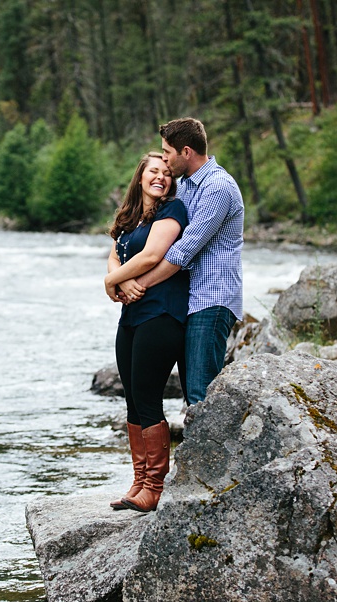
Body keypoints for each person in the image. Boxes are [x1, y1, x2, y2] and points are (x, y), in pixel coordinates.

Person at [121, 118, 244, 405]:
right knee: (191, 394)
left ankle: (210, 450)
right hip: (186, 300)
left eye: (167, 152)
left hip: (211, 301)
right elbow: (156, 233)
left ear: (186, 152)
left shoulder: (218, 187)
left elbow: (180, 252)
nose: (164, 158)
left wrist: (137, 286)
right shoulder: (185, 186)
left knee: (201, 394)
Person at [104, 152, 189, 513]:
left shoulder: (173, 211)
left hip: (162, 312)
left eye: (167, 173)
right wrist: (115, 279)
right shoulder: (128, 217)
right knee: (132, 399)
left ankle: (155, 486)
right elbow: (115, 254)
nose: (161, 177)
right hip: (132, 315)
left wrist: (111, 281)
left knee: (149, 396)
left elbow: (152, 255)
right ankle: (139, 482)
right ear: (140, 176)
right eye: (154, 171)